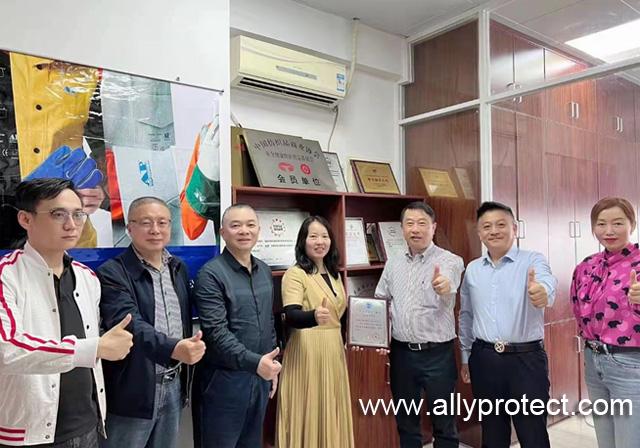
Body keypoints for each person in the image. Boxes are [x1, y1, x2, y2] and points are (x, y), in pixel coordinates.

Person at [0, 178, 132, 447]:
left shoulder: (87, 278)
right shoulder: (7, 276)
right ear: (25, 219)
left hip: (87, 425)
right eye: (58, 214)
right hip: (29, 433)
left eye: (78, 214)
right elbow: (7, 350)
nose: (72, 225)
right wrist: (94, 348)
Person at [97, 197, 205, 448]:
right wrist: (173, 348)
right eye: (146, 222)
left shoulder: (178, 267)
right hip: (133, 389)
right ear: (129, 228)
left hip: (174, 383)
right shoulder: (112, 272)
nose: (155, 230)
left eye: (162, 222)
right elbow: (130, 324)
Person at [459, 201, 557, 448]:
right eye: (487, 226)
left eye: (501, 225)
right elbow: (466, 315)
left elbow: (547, 283)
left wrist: (542, 292)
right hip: (484, 359)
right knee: (492, 433)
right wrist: (466, 357)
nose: (494, 231)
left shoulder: (533, 260)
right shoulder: (472, 269)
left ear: (515, 228)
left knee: (532, 433)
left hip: (526, 360)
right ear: (479, 233)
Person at [374, 201, 464, 448]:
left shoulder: (450, 260)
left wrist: (443, 286)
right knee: (406, 423)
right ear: (402, 228)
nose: (416, 229)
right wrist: (377, 336)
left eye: (422, 223)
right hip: (402, 355)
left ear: (433, 227)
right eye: (410, 223)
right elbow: (381, 301)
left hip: (438, 355)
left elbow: (448, 282)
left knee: (444, 424)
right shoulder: (393, 263)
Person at [192, 204, 280, 448]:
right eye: (235, 225)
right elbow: (216, 333)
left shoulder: (264, 270)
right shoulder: (210, 274)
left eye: (250, 225)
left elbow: (268, 321)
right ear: (223, 232)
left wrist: (270, 368)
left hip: (259, 379)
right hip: (223, 383)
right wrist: (257, 363)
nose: (244, 231)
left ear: (258, 230)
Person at [276, 216, 354, 447]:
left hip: (333, 349)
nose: (320, 241)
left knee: (331, 407)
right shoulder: (295, 274)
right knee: (308, 409)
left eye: (325, 236)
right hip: (307, 350)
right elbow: (291, 315)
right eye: (313, 236)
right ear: (303, 241)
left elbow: (341, 313)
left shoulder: (334, 273)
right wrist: (313, 316)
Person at [571, 197, 640, 448]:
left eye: (618, 223)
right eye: (601, 224)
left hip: (630, 362)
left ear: (632, 224)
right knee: (605, 439)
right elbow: (577, 308)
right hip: (594, 361)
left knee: (629, 441)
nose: (609, 231)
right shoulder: (586, 266)